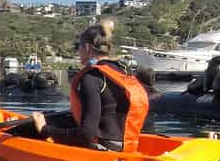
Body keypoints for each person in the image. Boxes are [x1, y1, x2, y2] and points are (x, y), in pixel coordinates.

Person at [24, 20, 149, 152]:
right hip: (129, 144)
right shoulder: (123, 70)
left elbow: (86, 135)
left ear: (87, 47)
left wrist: (44, 129)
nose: (78, 52)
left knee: (29, 128)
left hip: (105, 147)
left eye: (78, 47)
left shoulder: (91, 78)